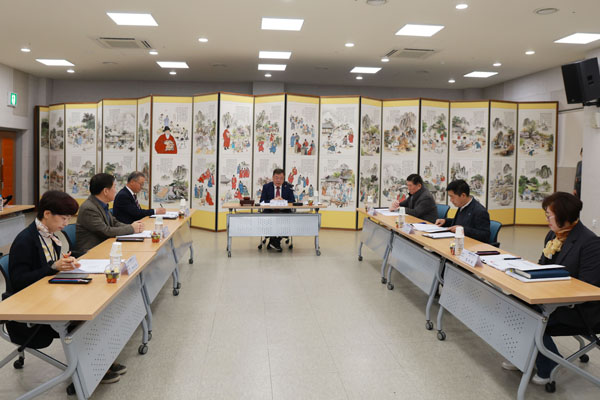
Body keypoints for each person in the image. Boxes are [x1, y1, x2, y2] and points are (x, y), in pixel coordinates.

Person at [6, 191, 126, 384]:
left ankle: (101, 361)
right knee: (83, 317)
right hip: (30, 307)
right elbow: (20, 281)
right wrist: (53, 267)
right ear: (47, 214)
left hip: (48, 295)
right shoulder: (25, 241)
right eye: (63, 218)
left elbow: (46, 267)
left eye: (69, 218)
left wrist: (62, 263)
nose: (66, 223)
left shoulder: (48, 235)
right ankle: (90, 371)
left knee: (95, 307)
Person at [502, 192, 600, 384]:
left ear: (564, 216)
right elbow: (542, 265)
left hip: (580, 309)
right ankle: (524, 356)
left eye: (549, 216)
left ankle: (550, 365)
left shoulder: (590, 243)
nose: (546, 220)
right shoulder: (553, 236)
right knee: (512, 302)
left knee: (527, 315)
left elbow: (588, 287)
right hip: (553, 299)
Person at [75, 173, 144, 254]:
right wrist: (131, 228)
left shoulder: (101, 204)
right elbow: (106, 231)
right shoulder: (89, 209)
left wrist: (133, 227)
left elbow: (114, 222)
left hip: (105, 245)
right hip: (92, 251)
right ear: (105, 191)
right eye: (114, 187)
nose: (115, 190)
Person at [259, 168, 295, 252]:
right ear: (272, 178)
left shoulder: (288, 187)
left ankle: (274, 241)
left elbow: (292, 201)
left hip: (284, 212)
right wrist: (273, 201)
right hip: (270, 212)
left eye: (281, 178)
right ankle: (275, 241)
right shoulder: (266, 187)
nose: (278, 180)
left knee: (283, 219)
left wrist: (283, 201)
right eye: (276, 178)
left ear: (284, 178)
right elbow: (262, 201)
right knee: (272, 219)